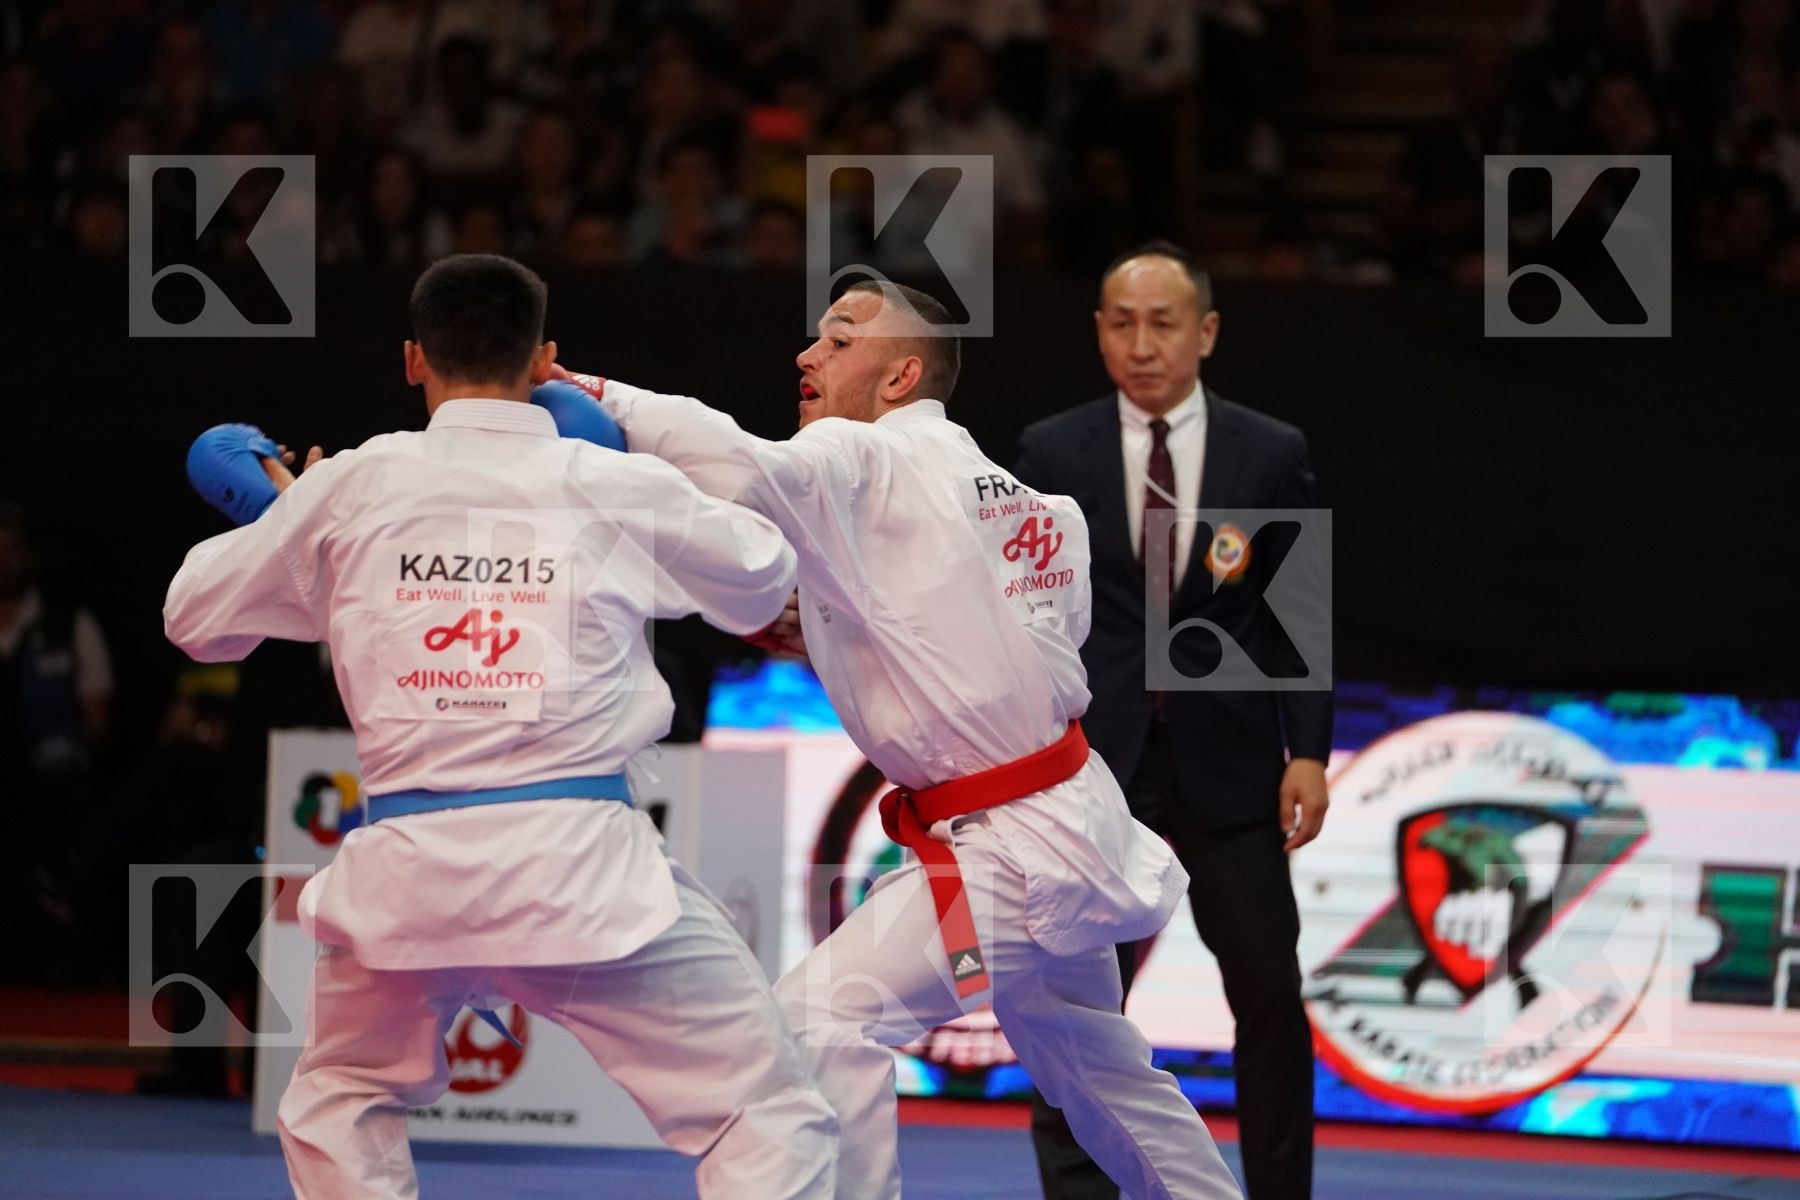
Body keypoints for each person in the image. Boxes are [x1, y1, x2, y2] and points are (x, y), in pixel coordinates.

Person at [163, 253, 837, 1200]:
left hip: (408, 878)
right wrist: (637, 470)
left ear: (412, 359)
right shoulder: (602, 478)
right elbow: (762, 577)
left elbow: (193, 617)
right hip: (582, 879)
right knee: (762, 1109)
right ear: (546, 359)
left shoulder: (352, 487)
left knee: (341, 1097)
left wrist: (287, 518)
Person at [574, 279, 1242, 1200]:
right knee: (1102, 1066)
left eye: (840, 339)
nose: (809, 356)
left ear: (902, 375)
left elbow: (735, 462)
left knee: (821, 1023)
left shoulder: (864, 457)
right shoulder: (1043, 512)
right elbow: (977, 646)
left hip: (1001, 852)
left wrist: (592, 393)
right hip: (1067, 818)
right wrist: (828, 629)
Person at [1013, 241, 1332, 1200]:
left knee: (1270, 997)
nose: (1142, 344)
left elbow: (1299, 616)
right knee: (1073, 1007)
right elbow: (1025, 614)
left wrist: (1308, 752)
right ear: (1100, 332)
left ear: (1206, 331)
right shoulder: (1049, 451)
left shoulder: (1269, 452)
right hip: (1093, 775)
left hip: (1230, 771)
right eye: (1122, 322)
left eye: (1162, 322)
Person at [0, 502, 114, 983]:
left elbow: (98, 724)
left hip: (56, 784)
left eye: (10, 550)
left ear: (30, 557)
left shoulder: (70, 625)